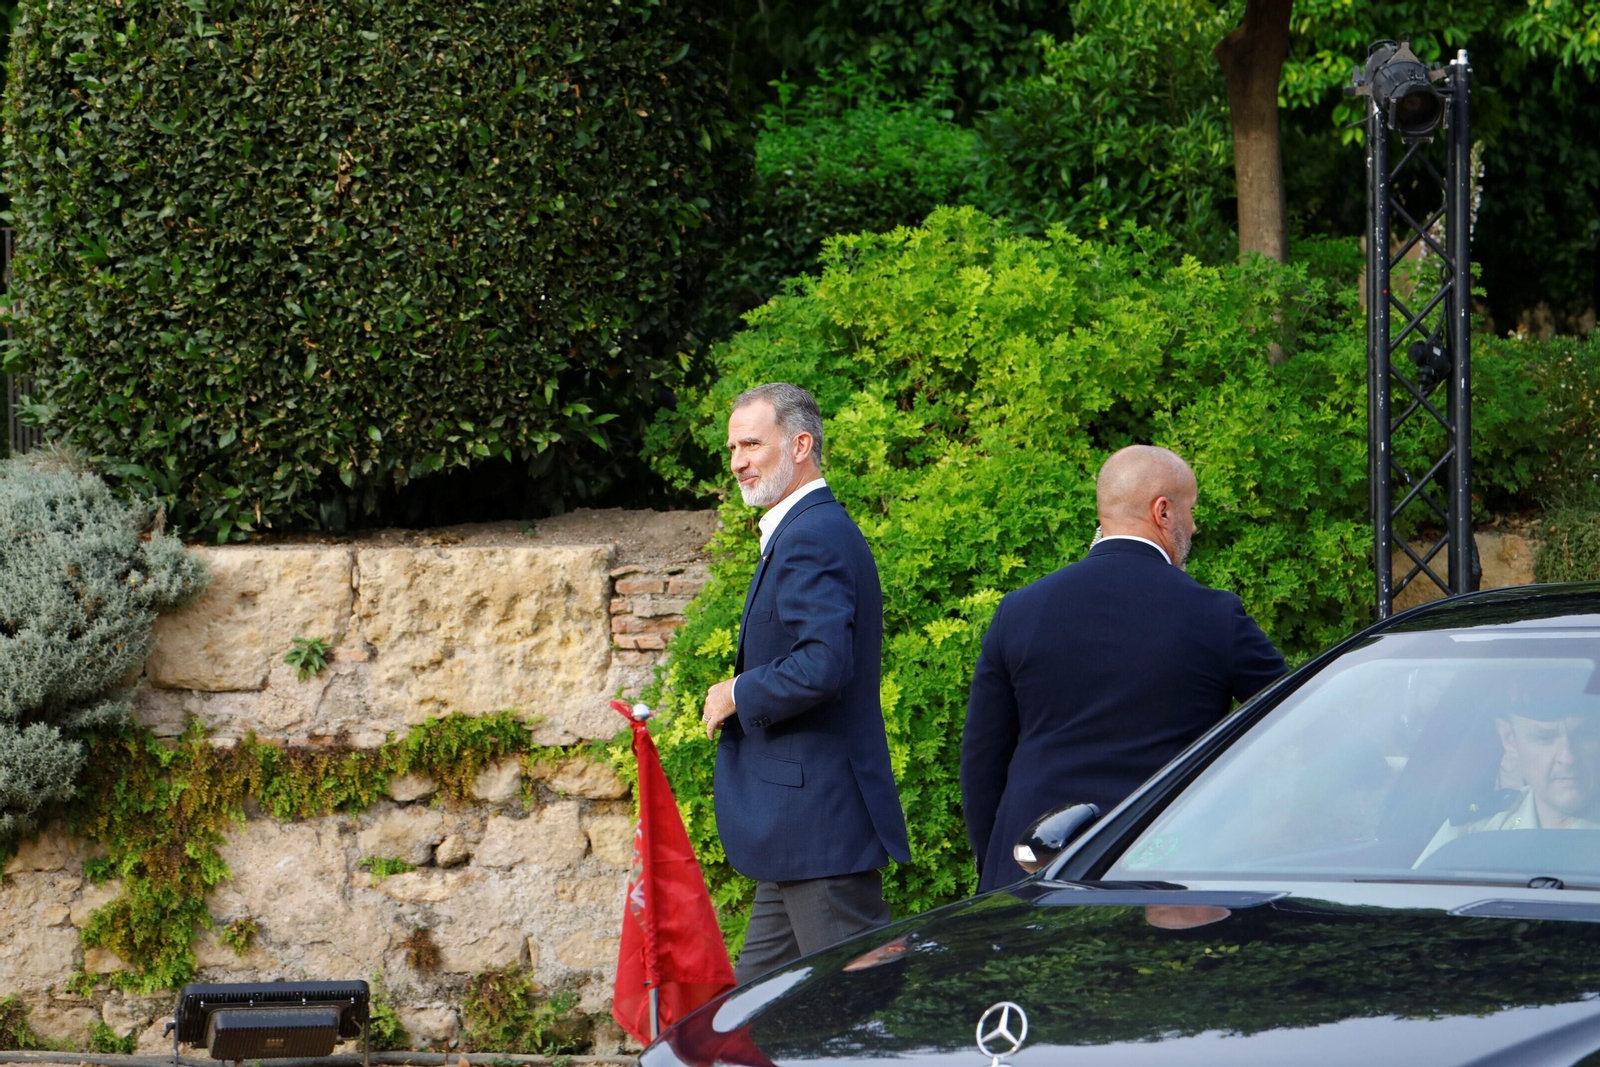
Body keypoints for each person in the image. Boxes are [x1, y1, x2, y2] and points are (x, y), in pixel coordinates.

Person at [961, 445, 1287, 892]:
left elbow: (982, 761)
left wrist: (995, 862)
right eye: (1191, 510)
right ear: (1163, 511)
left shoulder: (1019, 611)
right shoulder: (1213, 616)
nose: (1194, 525)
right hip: (1163, 877)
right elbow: (1292, 719)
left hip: (1031, 875)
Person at [700, 382, 911, 982]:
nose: (738, 461)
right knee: (758, 1018)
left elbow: (823, 664)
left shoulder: (812, 535)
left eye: (751, 444)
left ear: (799, 445)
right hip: (797, 836)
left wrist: (737, 691)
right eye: (732, 447)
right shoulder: (801, 531)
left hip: (820, 832)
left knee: (859, 1018)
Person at [1415, 704, 1600, 865]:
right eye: (1544, 738)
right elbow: (1415, 899)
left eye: (1585, 735)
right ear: (1509, 738)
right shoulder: (1471, 830)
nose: (1568, 758)